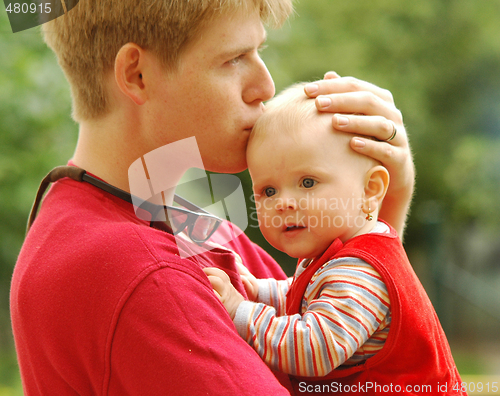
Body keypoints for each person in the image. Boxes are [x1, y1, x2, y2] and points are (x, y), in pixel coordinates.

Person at [10, 1, 415, 395]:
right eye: (235, 58)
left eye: (260, 51)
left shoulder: (184, 220)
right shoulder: (140, 271)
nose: (265, 87)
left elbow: (345, 331)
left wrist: (383, 208)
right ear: (136, 75)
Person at [204, 84, 464, 395]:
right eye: (268, 191)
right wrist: (257, 290)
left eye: (308, 182)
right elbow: (305, 293)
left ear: (370, 189)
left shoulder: (360, 272)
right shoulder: (339, 259)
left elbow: (314, 348)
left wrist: (241, 312)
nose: (283, 202)